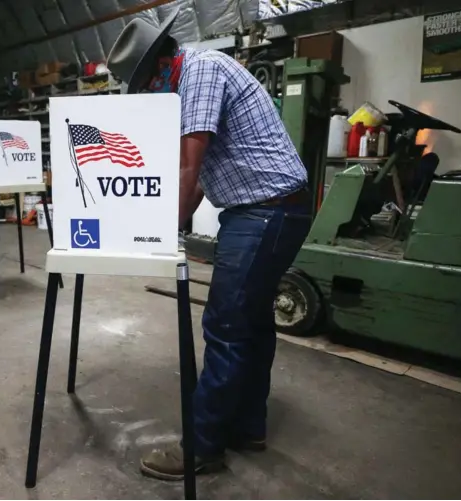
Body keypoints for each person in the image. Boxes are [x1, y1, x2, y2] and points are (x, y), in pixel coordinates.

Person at [107, 8, 312, 480]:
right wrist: (166, 225)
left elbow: (186, 169)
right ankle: (248, 428)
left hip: (267, 211)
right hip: (269, 209)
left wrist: (155, 234)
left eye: (144, 86)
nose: (146, 96)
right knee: (252, 324)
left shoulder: (200, 73)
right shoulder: (191, 79)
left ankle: (201, 448)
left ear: (159, 68)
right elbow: (197, 179)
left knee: (223, 324)